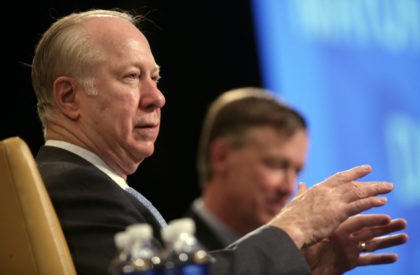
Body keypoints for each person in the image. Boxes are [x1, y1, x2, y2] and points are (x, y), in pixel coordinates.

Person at [30, 8, 407, 275]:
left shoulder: (93, 184)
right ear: (68, 98)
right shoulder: (74, 185)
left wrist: (304, 265)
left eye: (155, 78)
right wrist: (294, 227)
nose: (156, 97)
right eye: (131, 76)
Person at [185, 87, 408, 273]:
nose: (288, 187)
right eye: (276, 165)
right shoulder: (177, 257)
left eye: (297, 171)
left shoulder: (294, 261)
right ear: (222, 156)